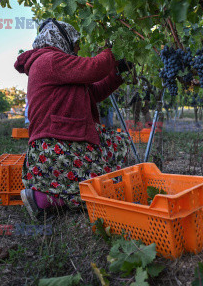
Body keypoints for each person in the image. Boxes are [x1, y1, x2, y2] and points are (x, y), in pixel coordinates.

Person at [14, 18, 133, 219]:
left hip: (64, 137)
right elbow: (95, 67)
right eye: (75, 45)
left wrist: (117, 72)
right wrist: (109, 50)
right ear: (63, 39)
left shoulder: (56, 64)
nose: (77, 50)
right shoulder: (49, 60)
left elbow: (93, 93)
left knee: (116, 152)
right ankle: (41, 198)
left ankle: (46, 196)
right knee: (99, 187)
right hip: (55, 142)